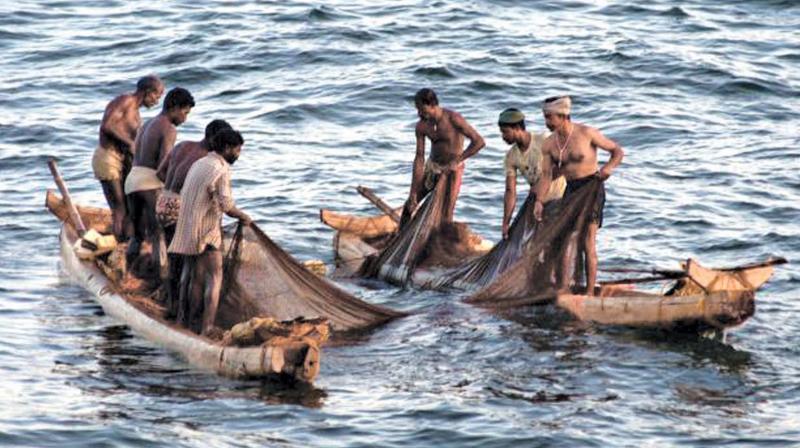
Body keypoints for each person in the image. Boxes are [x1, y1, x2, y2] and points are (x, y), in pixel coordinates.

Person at [533, 96, 624, 295]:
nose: (547, 122)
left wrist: (608, 168)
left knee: (586, 241)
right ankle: (562, 286)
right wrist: (539, 201)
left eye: (550, 117)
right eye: (545, 117)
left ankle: (590, 292)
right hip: (571, 189)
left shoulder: (587, 133)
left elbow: (617, 151)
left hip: (592, 187)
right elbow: (547, 176)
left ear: (563, 115)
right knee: (561, 239)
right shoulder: (549, 144)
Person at [168, 129, 251, 335]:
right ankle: (206, 327)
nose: (238, 155)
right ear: (227, 148)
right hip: (206, 229)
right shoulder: (221, 168)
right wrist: (243, 216)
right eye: (238, 150)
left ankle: (182, 321)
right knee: (214, 277)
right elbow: (226, 204)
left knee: (191, 275)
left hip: (187, 226)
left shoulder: (200, 163)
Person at [156, 119, 233, 318]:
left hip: (164, 200)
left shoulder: (183, 146)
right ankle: (177, 311)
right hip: (181, 205)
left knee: (175, 259)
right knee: (185, 263)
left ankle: (172, 305)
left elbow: (160, 172)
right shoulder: (207, 160)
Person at [124, 87, 195, 274]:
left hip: (132, 180)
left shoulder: (148, 123)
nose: (185, 119)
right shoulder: (168, 128)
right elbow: (165, 164)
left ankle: (128, 272)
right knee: (158, 236)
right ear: (174, 107)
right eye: (185, 112)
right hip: (149, 182)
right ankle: (161, 279)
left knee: (137, 235)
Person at [92, 75, 164, 240]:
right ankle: (120, 245)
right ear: (147, 91)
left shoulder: (137, 113)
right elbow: (107, 125)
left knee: (130, 207)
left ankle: (128, 241)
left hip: (121, 160)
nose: (156, 101)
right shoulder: (126, 101)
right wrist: (129, 143)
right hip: (108, 158)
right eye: (156, 96)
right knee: (119, 209)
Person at [401, 88, 485, 227]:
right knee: (408, 208)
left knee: (446, 215)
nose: (419, 113)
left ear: (432, 105)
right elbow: (419, 158)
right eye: (417, 110)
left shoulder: (453, 119)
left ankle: (441, 242)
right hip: (433, 167)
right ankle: (399, 239)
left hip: (452, 170)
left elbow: (479, 142)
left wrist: (458, 160)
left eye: (422, 109)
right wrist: (413, 193)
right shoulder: (421, 126)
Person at [498, 108, 566, 240]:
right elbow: (510, 191)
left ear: (518, 127)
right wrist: (506, 222)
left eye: (506, 132)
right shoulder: (510, 157)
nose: (503, 137)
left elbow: (563, 166)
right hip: (538, 205)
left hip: (559, 198)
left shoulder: (543, 140)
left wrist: (539, 185)